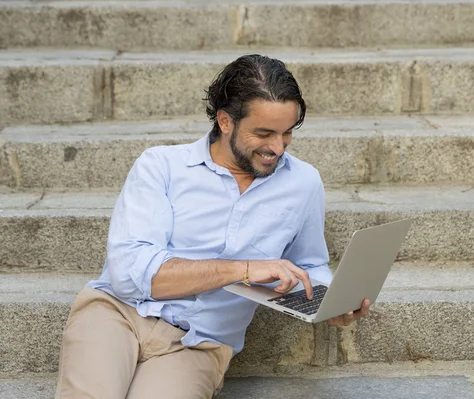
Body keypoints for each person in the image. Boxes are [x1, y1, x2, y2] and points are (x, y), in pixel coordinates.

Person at [55, 54, 370, 399]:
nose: (277, 147)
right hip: (118, 314)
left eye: (287, 134)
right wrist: (246, 269)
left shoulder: (304, 183)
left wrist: (330, 302)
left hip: (199, 343)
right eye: (264, 133)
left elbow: (309, 264)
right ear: (225, 121)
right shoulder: (161, 166)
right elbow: (132, 274)